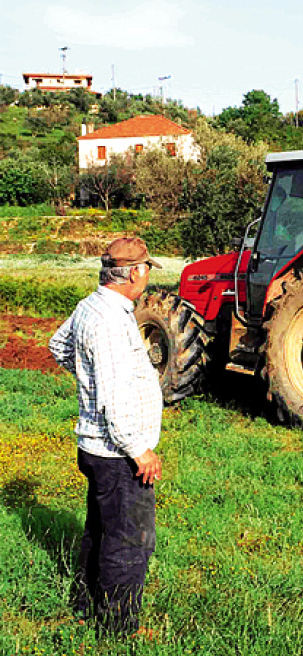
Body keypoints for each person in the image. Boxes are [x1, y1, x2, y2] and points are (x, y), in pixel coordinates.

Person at [48, 237, 164, 640]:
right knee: (130, 541)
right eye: (146, 269)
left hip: (94, 447)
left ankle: (85, 603)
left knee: (100, 529)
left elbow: (58, 345)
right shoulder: (112, 322)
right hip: (117, 452)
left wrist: (88, 376)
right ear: (134, 273)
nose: (146, 276)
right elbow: (115, 397)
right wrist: (138, 450)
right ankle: (118, 627)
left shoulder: (90, 306)